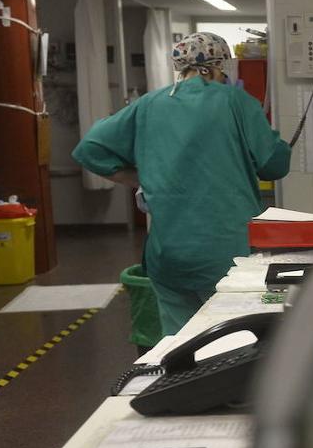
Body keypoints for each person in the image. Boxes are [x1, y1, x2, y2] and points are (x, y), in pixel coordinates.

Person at [73, 33, 291, 334]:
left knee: (180, 349)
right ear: (220, 65)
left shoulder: (148, 104)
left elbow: (89, 150)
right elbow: (275, 165)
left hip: (169, 255)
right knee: (234, 344)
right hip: (227, 254)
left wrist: (142, 178)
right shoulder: (235, 101)